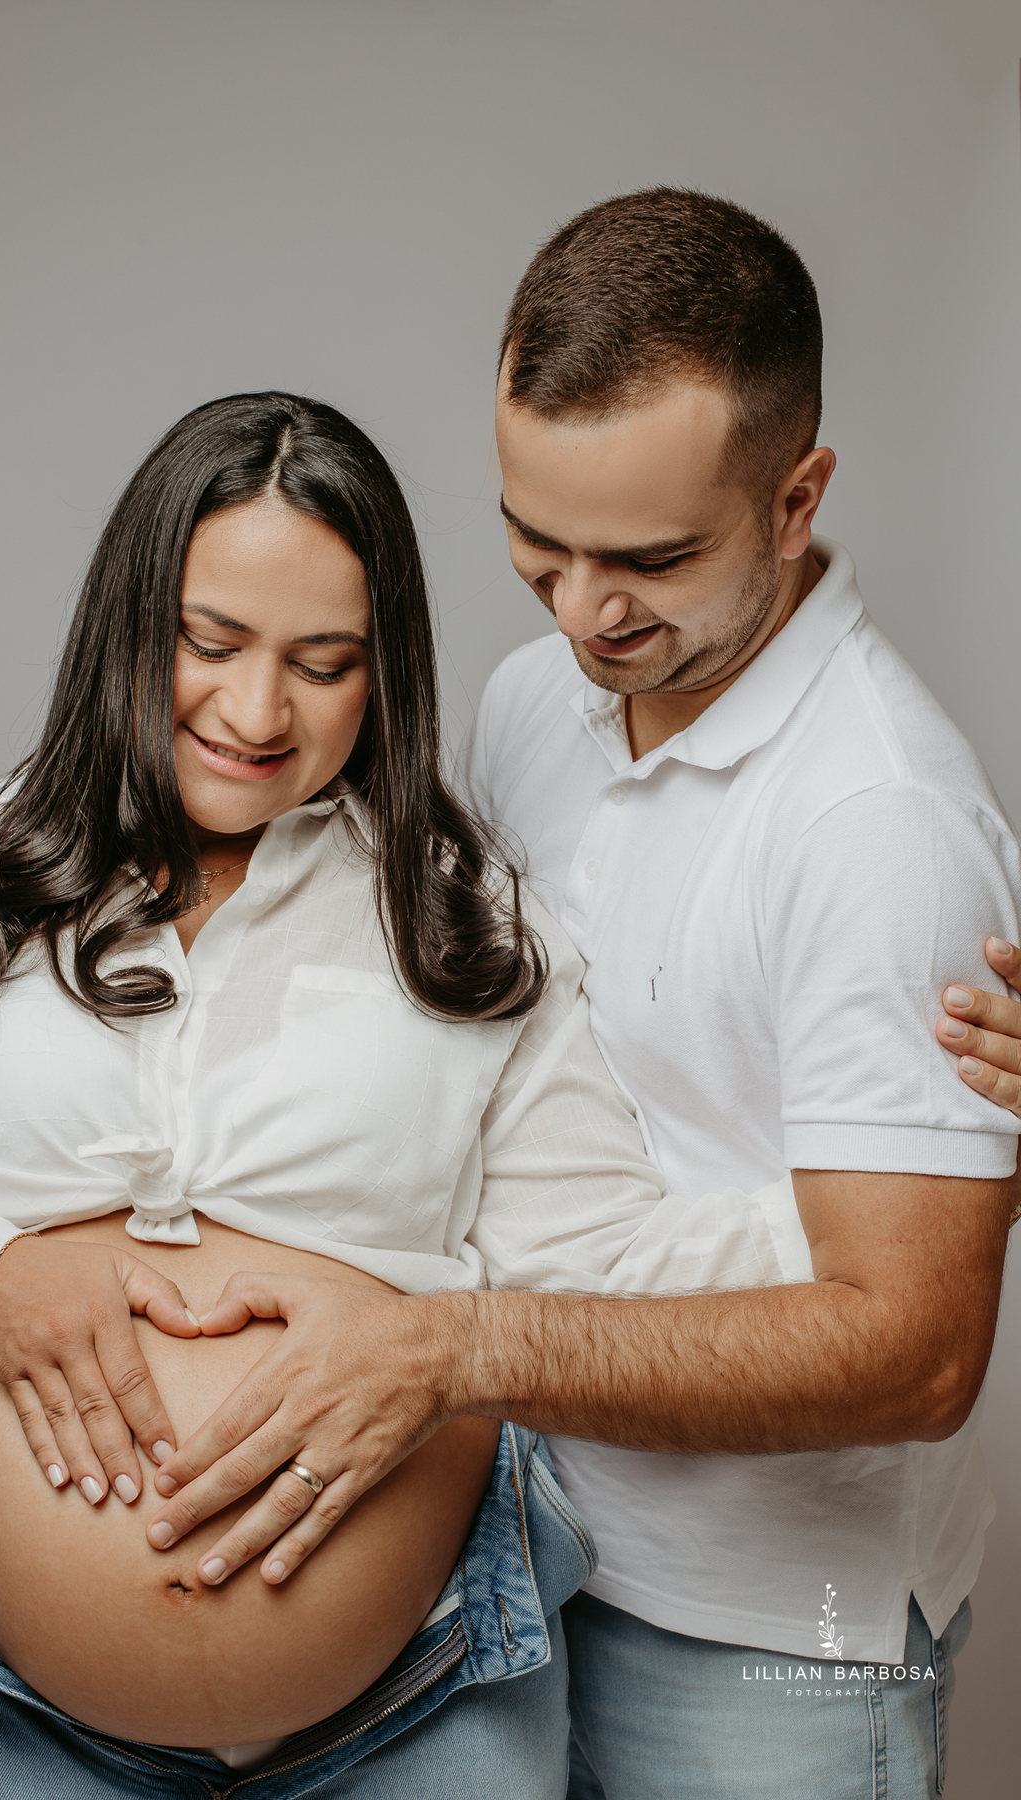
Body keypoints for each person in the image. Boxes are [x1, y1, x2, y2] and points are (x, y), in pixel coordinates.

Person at [138, 194, 1021, 1800]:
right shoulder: (534, 699)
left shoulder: (884, 828)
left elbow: (914, 1353)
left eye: (652, 559)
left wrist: (453, 1350)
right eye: (536, 545)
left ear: (799, 493)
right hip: (524, 1567)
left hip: (778, 1634)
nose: (582, 613)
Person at [0, 390, 807, 1798]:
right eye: (207, 642)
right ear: (127, 617)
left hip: (421, 1716)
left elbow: (607, 1269)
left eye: (324, 662)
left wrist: (934, 1174)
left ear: (384, 672)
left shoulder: (471, 926)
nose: (255, 711)